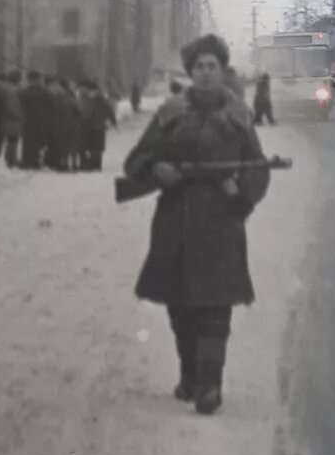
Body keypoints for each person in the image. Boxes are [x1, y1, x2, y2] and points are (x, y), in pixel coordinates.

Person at [116, 33, 273, 416]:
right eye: (199, 67)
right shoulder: (170, 113)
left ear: (222, 71)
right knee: (180, 307)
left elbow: (259, 168)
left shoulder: (238, 117)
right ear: (190, 73)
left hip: (221, 223)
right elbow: (135, 161)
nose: (205, 73)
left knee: (216, 307)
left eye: (212, 67)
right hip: (176, 222)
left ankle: (210, 385)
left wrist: (240, 193)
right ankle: (190, 375)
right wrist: (157, 169)